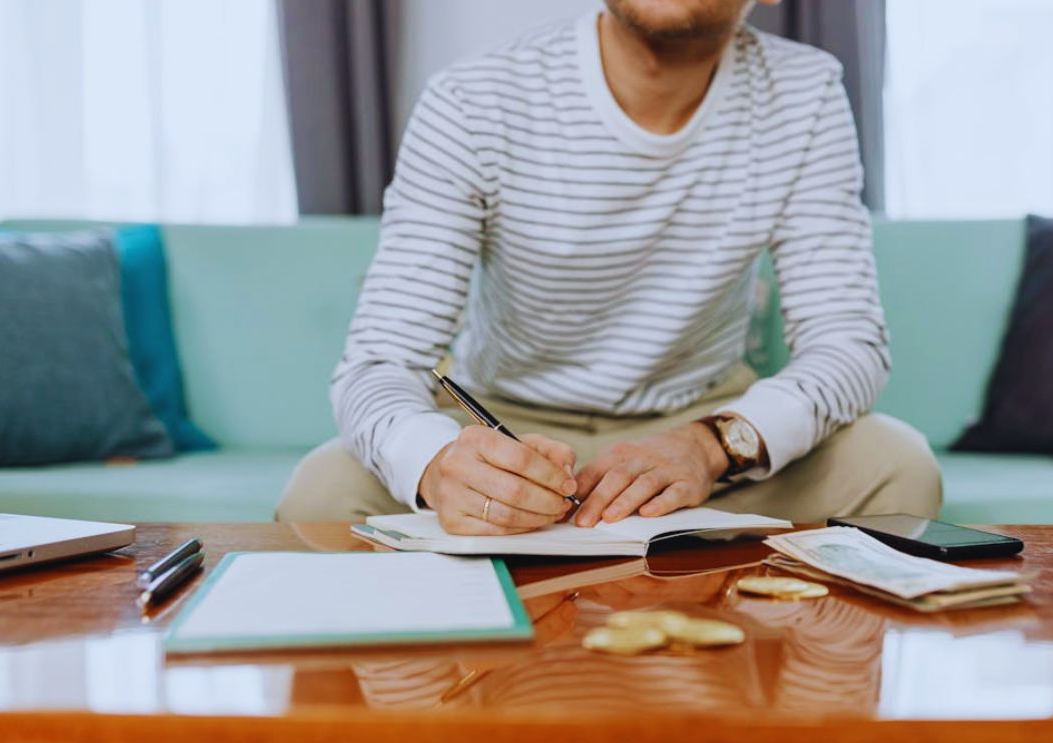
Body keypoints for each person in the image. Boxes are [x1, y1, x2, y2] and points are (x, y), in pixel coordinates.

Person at [276, 0, 942, 531]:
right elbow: (379, 362)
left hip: (702, 419)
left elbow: (846, 344)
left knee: (896, 466)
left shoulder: (806, 91)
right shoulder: (471, 99)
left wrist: (712, 446)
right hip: (506, 425)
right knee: (321, 493)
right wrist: (442, 465)